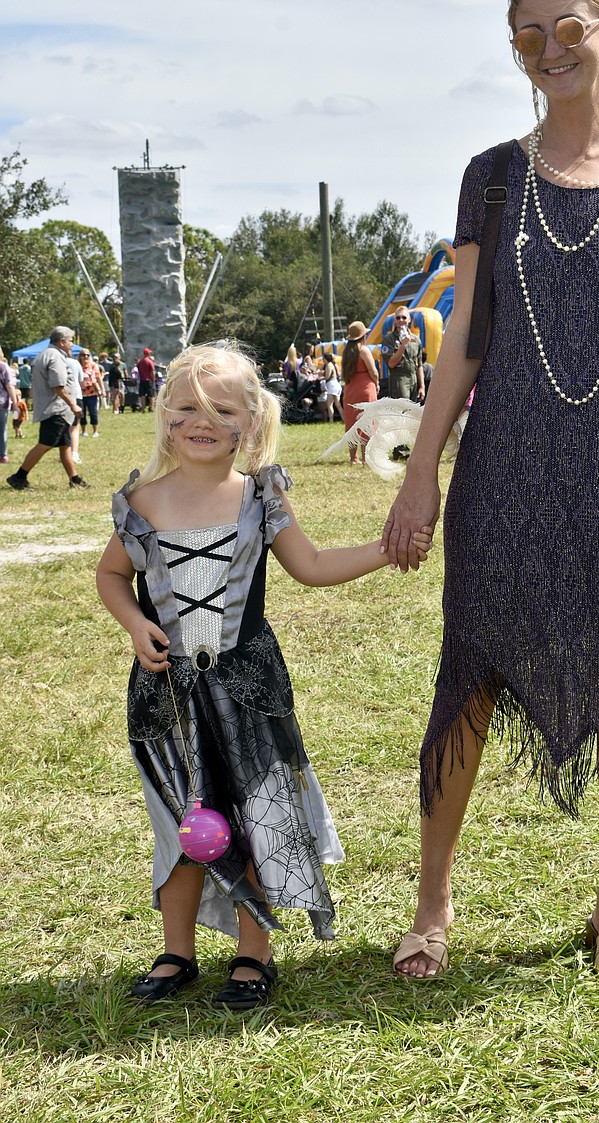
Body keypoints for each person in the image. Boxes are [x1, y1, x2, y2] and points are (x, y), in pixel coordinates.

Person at [381, 0, 599, 980]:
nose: (549, 53)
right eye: (528, 38)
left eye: (568, 30)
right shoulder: (491, 176)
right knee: (471, 675)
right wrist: (420, 470)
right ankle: (432, 903)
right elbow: (465, 342)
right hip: (505, 464)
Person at [96, 343, 432, 1009]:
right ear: (165, 415)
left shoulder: (258, 498)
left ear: (248, 423)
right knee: (184, 825)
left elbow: (310, 564)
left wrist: (385, 550)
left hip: (248, 693)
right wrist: (136, 626)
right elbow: (111, 576)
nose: (200, 419)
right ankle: (176, 950)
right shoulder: (143, 499)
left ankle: (254, 952)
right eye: (186, 406)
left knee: (254, 823)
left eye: (220, 408)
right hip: (167, 700)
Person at [6, 327, 90, 490]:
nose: (72, 344)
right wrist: (73, 404)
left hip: (55, 409)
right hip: (56, 409)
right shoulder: (55, 357)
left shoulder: (46, 355)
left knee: (65, 445)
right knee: (45, 444)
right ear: (62, 341)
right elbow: (57, 385)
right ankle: (19, 477)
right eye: (71, 340)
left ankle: (74, 479)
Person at [341, 322, 379, 465]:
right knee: (367, 422)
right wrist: (377, 384)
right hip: (365, 388)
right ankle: (365, 457)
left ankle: (353, 458)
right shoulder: (363, 350)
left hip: (350, 389)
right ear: (363, 335)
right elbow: (373, 371)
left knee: (351, 424)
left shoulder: (346, 351)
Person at [382, 308, 426, 402]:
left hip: (413, 378)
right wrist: (404, 345)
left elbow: (419, 365)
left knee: (413, 409)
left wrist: (422, 386)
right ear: (394, 320)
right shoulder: (389, 339)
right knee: (402, 410)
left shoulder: (416, 340)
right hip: (399, 378)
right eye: (398, 318)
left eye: (404, 317)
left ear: (409, 320)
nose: (401, 320)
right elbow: (391, 363)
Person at [78, 349, 106, 437]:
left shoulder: (94, 365)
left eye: (87, 355)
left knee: (93, 412)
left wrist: (103, 389)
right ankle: (84, 431)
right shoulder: (77, 365)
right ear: (80, 356)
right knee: (81, 413)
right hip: (80, 393)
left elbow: (98, 378)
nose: (85, 357)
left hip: (92, 393)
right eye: (83, 355)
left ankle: (95, 431)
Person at [0, 347, 15, 464]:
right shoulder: (4, 367)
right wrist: (15, 402)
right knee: (2, 429)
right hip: (2, 402)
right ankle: (2, 455)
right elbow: (9, 386)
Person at [322, 350, 344, 423]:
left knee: (329, 404)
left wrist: (320, 378)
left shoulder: (328, 365)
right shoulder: (332, 364)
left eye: (323, 359)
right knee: (338, 405)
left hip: (331, 386)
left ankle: (331, 421)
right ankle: (344, 420)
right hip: (336, 385)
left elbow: (327, 377)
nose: (323, 360)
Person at [137, 347, 156, 412]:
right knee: (151, 395)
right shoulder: (150, 361)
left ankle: (143, 408)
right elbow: (152, 371)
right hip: (149, 380)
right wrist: (154, 379)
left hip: (142, 380)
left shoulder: (140, 361)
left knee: (142, 395)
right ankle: (151, 408)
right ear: (148, 354)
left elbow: (138, 369)